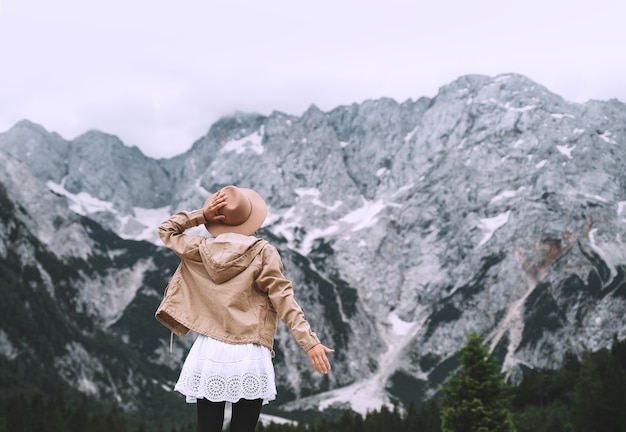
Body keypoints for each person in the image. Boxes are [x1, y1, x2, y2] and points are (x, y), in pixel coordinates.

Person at [155, 185, 334, 432]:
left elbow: (166, 230)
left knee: (207, 427)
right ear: (251, 220)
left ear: (219, 222)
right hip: (249, 352)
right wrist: (309, 341)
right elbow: (284, 298)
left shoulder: (199, 248)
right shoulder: (263, 252)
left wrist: (202, 215)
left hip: (210, 350)